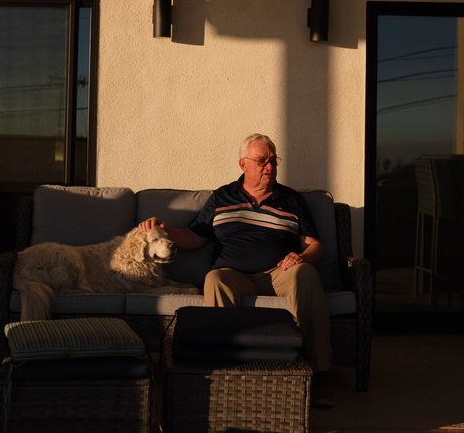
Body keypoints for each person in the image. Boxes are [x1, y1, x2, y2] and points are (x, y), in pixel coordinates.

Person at [138, 133, 335, 407]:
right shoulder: (222, 197)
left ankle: (313, 378)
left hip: (280, 273)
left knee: (307, 275)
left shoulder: (292, 200)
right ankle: (226, 376)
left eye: (273, 160)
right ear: (243, 164)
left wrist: (302, 257)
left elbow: (315, 246)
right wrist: (164, 228)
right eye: (262, 161)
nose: (270, 167)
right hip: (235, 275)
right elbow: (194, 239)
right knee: (215, 279)